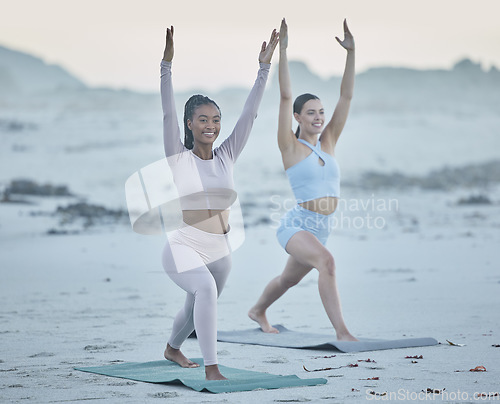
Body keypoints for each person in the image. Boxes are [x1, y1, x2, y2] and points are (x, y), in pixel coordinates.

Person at [160, 25, 278, 380]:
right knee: (205, 289)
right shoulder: (179, 157)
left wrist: (263, 69)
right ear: (190, 124)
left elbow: (250, 116)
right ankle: (212, 367)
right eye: (203, 120)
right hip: (182, 246)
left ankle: (172, 348)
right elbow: (167, 114)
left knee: (197, 301)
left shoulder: (227, 155)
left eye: (215, 120)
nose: (211, 125)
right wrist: (166, 66)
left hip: (220, 251)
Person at [248, 18, 357, 341]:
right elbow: (284, 96)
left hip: (322, 228)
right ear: (297, 117)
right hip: (297, 226)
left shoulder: (329, 142)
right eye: (311, 112)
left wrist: (352, 53)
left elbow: (346, 97)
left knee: (288, 280)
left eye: (320, 112)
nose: (318, 117)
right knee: (328, 263)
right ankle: (342, 332)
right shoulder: (290, 147)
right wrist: (283, 50)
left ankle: (257, 310)